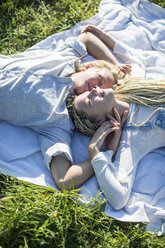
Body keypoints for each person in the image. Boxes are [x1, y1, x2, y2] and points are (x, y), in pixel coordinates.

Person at [0, 27, 131, 190]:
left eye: (100, 89)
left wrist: (104, 153)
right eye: (99, 79)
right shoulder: (65, 57)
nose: (95, 89)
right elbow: (87, 38)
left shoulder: (58, 120)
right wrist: (116, 65)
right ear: (88, 66)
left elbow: (64, 179)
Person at [66, 78, 165, 210]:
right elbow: (118, 199)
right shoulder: (131, 140)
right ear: (99, 122)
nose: (94, 90)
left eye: (89, 91)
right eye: (89, 101)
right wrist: (95, 153)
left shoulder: (132, 87)